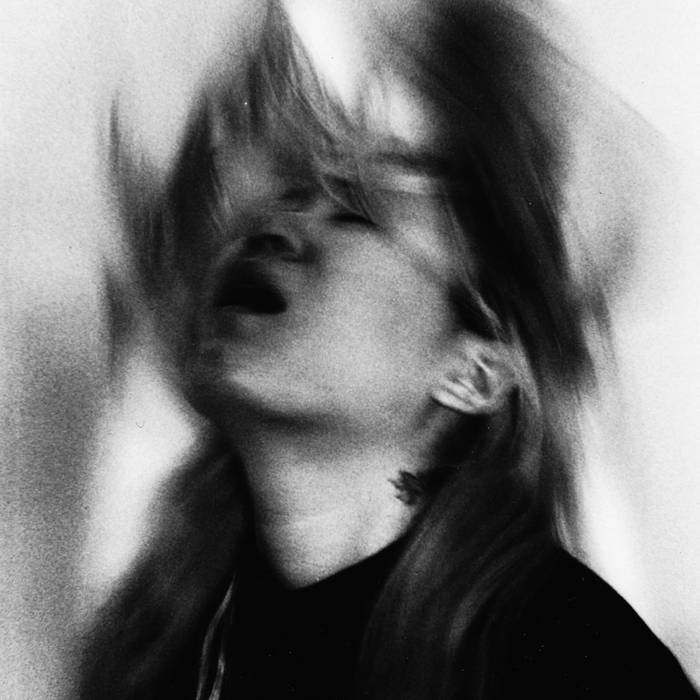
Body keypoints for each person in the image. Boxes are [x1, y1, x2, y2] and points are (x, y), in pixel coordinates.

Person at [81, 0, 699, 698]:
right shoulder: (161, 648)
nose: (272, 228)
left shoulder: (574, 662)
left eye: (357, 215)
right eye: (285, 198)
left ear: (474, 372)